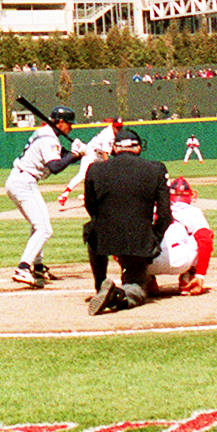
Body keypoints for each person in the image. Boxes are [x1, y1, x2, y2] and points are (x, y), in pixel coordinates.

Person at [82, 128, 172, 315]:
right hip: (138, 237)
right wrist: (153, 237)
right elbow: (165, 215)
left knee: (92, 229)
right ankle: (117, 295)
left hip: (104, 236)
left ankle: (101, 284)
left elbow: (91, 207)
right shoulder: (156, 169)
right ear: (138, 148)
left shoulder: (95, 169)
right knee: (137, 287)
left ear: (115, 148)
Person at [5, 107, 85, 287]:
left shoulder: (44, 134)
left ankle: (38, 267)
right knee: (44, 229)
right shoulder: (48, 138)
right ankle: (23, 268)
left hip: (18, 180)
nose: (71, 128)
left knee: (38, 225)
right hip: (24, 181)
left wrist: (78, 152)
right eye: (69, 124)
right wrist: (74, 154)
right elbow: (55, 167)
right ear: (61, 122)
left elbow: (62, 155)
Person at [145, 176, 214, 296]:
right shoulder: (193, 211)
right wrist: (200, 275)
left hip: (148, 263)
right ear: (190, 196)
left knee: (132, 235)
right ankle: (188, 278)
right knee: (204, 235)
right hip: (180, 262)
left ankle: (145, 279)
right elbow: (205, 240)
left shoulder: (152, 208)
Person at [56, 119, 117, 210]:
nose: (118, 129)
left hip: (98, 154)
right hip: (91, 153)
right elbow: (105, 153)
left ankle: (95, 196)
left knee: (101, 176)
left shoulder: (114, 134)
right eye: (117, 126)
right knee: (83, 174)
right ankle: (64, 195)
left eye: (120, 127)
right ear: (113, 126)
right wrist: (107, 166)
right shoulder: (108, 134)